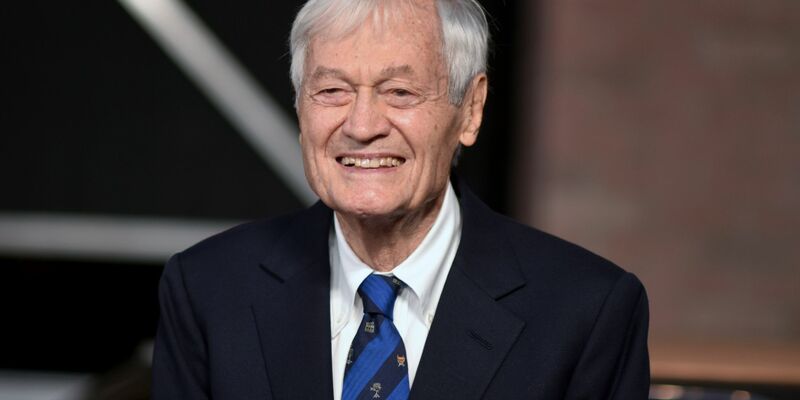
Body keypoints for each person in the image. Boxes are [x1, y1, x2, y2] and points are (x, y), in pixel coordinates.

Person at [151, 0, 650, 398]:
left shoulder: (585, 312)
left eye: (399, 92)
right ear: (300, 105)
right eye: (332, 90)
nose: (363, 126)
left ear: (471, 110)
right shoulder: (208, 292)